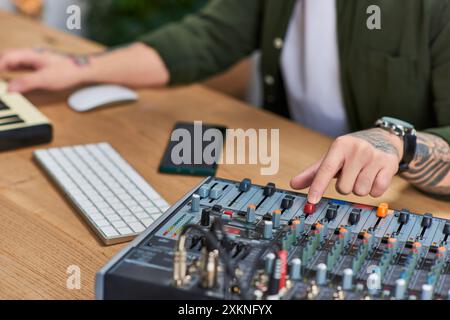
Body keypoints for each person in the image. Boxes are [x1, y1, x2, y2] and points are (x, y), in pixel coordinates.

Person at [1, 0, 449, 204]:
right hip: (294, 171)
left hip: (393, 197)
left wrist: (398, 143)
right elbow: (207, 37)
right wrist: (83, 67)